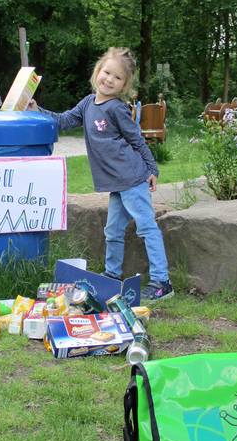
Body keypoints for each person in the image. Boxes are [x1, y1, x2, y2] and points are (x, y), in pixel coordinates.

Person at [29, 47, 173, 303]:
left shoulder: (117, 109)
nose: (109, 80)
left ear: (124, 85)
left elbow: (136, 139)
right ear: (97, 72)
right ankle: (112, 275)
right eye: (106, 72)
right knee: (113, 231)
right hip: (116, 183)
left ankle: (162, 282)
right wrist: (36, 109)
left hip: (132, 178)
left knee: (146, 226)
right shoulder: (87, 104)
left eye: (117, 78)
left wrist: (152, 169)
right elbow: (62, 121)